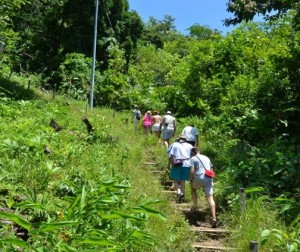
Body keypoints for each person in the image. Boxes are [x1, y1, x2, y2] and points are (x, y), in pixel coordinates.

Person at [189, 147, 217, 228]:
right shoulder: (206, 158)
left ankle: (195, 206)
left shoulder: (193, 158)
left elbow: (192, 170)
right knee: (210, 198)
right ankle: (214, 218)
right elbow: (211, 169)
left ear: (192, 153)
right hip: (208, 178)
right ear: (199, 151)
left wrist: (191, 179)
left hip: (199, 177)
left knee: (193, 189)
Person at [167, 134, 193, 203]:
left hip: (177, 163)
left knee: (175, 179)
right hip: (187, 163)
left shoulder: (175, 145)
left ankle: (179, 192)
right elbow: (192, 155)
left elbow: (171, 156)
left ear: (179, 138)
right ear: (186, 139)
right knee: (183, 180)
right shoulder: (190, 146)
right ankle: (183, 194)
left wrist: (170, 164)